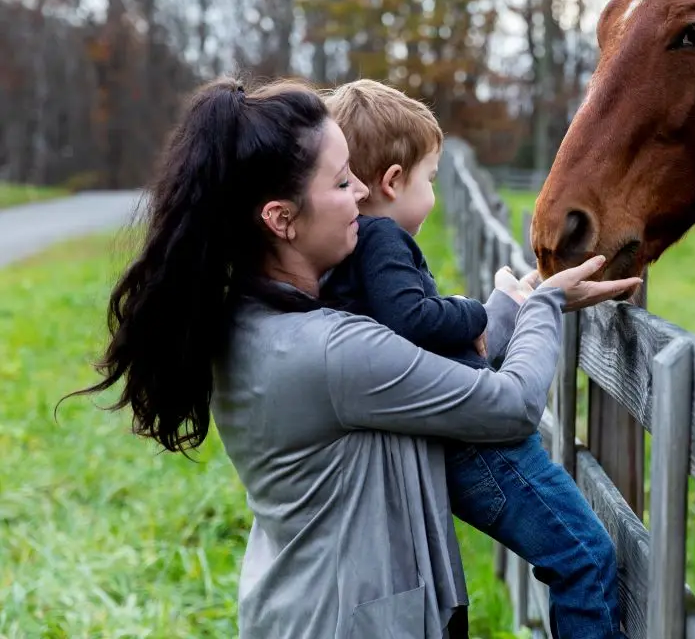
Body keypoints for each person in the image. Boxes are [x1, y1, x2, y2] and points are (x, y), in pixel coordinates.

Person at [71, 77, 641, 639]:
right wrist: (544, 303)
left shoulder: (250, 320)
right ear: (281, 217)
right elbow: (511, 405)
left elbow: (414, 355)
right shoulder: (329, 351)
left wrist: (504, 306)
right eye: (343, 182)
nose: (365, 195)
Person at [321, 79, 626, 639]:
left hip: (463, 439)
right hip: (487, 450)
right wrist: (476, 313)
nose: (433, 195)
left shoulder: (352, 247)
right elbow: (414, 319)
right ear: (392, 182)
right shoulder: (382, 238)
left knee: (576, 553)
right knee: (584, 554)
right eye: (430, 180)